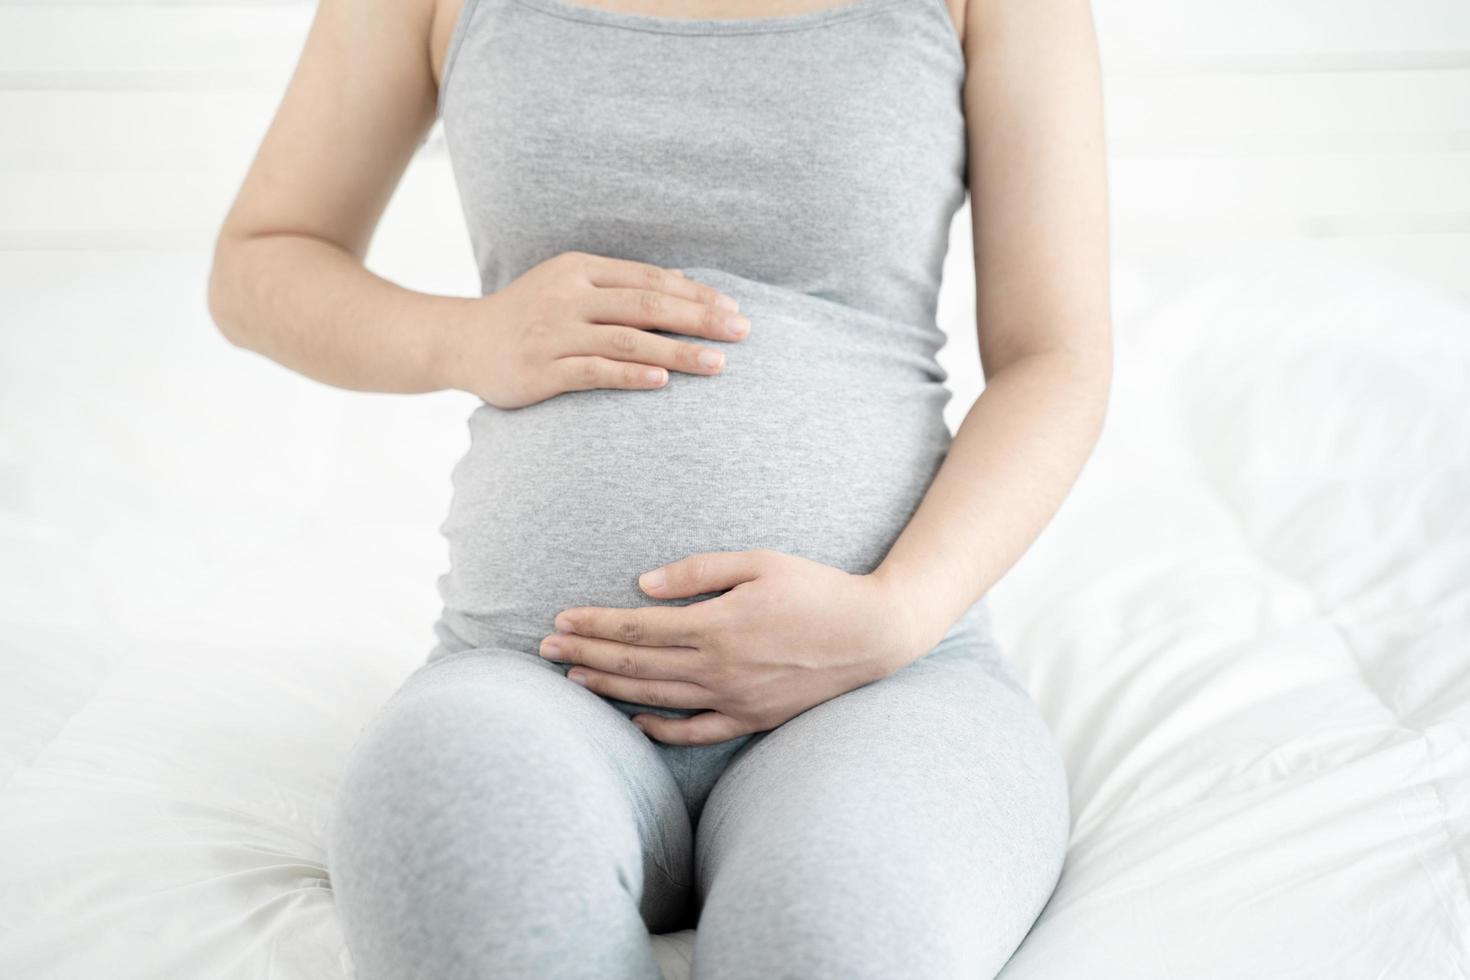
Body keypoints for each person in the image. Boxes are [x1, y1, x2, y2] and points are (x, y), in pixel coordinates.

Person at [206, 0, 1111, 975]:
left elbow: (1053, 357)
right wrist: (464, 336)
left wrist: (892, 616)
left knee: (834, 938)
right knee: (452, 852)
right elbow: (262, 259)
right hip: (529, 679)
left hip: (883, 682)